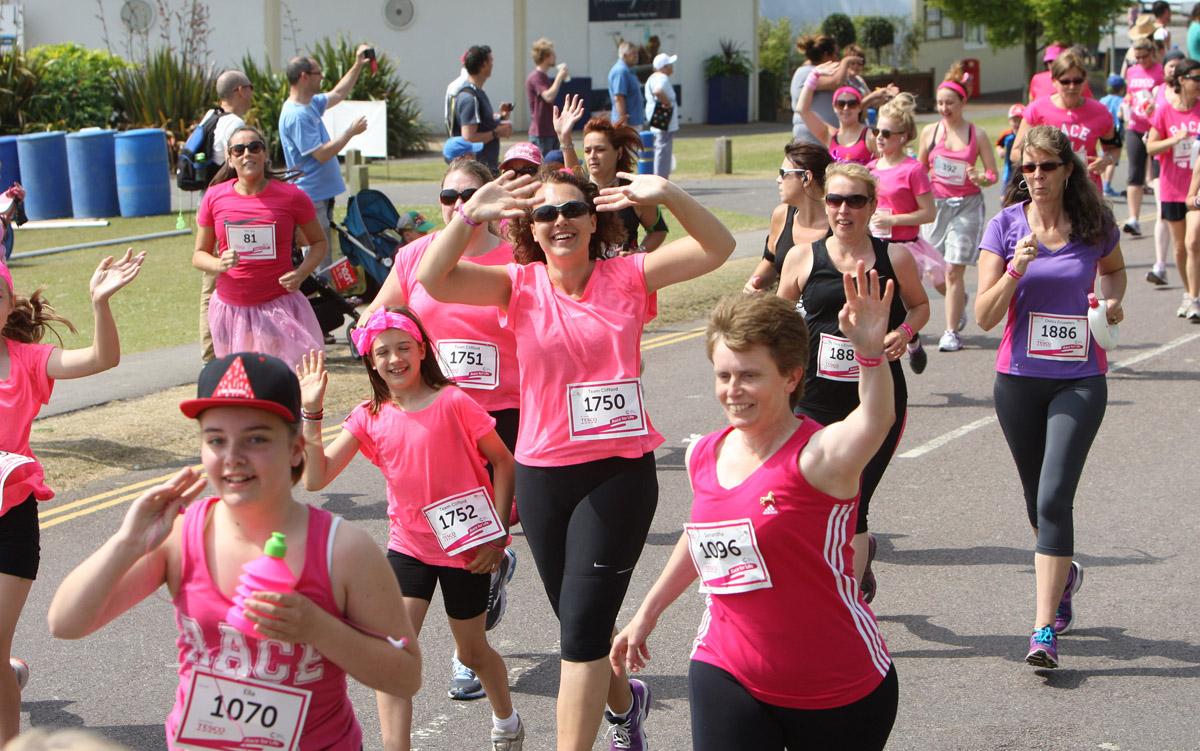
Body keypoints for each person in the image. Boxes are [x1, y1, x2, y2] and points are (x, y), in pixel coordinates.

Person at [416, 167, 736, 751]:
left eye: (570, 211)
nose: (559, 221)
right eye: (545, 214)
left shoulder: (629, 275)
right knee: (578, 623)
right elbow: (431, 279)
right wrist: (470, 214)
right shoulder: (517, 285)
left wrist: (666, 194)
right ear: (531, 230)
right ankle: (625, 701)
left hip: (617, 476)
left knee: (581, 634)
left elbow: (720, 247)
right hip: (542, 477)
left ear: (593, 220)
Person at [47, 352, 422, 749]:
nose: (232, 456)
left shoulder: (343, 549)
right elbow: (66, 624)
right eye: (216, 440)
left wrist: (317, 628)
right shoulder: (180, 535)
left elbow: (405, 676)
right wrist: (128, 542)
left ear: (296, 448)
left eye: (256, 438)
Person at [610, 281, 900, 751]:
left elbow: (875, 419)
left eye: (749, 375)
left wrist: (869, 355)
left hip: (837, 682)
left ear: (790, 377)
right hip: (728, 666)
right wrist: (647, 612)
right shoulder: (703, 454)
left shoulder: (820, 457)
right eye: (723, 376)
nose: (732, 391)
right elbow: (703, 535)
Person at [298, 307, 523, 750]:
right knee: (392, 654)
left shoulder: (454, 402)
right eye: (382, 352)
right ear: (370, 361)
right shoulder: (368, 416)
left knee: (473, 652)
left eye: (403, 347)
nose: (394, 359)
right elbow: (315, 477)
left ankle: (507, 721)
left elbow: (503, 461)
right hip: (409, 548)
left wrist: (497, 536)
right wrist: (312, 412)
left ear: (422, 350)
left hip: (467, 548)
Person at [364, 157, 523, 701]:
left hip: (502, 410)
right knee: (450, 524)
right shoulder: (413, 257)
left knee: (487, 524)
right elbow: (379, 317)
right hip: (435, 415)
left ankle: (488, 575)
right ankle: (469, 650)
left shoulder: (516, 258)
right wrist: (378, 339)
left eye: (469, 194)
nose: (458, 205)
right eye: (448, 197)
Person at [974, 124, 1127, 669]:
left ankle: (1042, 631)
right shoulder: (1004, 225)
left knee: (1054, 496)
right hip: (1017, 379)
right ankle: (1062, 577)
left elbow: (1113, 273)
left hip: (1080, 377)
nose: (1035, 177)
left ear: (1066, 170)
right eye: (1027, 167)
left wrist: (1108, 307)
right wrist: (1017, 267)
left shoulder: (1094, 224)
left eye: (1045, 166)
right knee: (1035, 496)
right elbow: (985, 317)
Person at [0, 250, 144, 744]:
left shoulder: (27, 361)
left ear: (8, 303)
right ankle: (10, 675)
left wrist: (99, 303)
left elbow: (102, 359)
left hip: (11, 517)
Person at [777, 163, 929, 601]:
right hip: (812, 400)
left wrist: (903, 333)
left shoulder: (894, 258)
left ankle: (848, 604)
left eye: (855, 201)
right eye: (835, 200)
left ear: (872, 206)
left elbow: (919, 307)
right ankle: (828, 581)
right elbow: (779, 316)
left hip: (875, 402)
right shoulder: (803, 257)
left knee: (855, 501)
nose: (843, 210)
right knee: (811, 498)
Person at [192, 126, 328, 368]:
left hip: (278, 306)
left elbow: (319, 243)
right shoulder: (214, 197)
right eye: (239, 149)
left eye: (255, 147)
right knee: (243, 382)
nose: (248, 154)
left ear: (265, 155)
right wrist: (218, 263)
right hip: (231, 309)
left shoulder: (292, 197)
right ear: (230, 158)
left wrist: (300, 273)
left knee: (286, 378)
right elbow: (198, 255)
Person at [918, 62, 999, 352]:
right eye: (940, 103)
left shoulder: (977, 135)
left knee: (954, 270)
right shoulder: (929, 132)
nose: (944, 108)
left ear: (963, 102)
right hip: (937, 206)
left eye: (949, 103)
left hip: (966, 205)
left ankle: (951, 331)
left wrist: (981, 177)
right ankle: (959, 298)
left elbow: (993, 174)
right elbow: (919, 169)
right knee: (934, 272)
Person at [869, 93, 941, 373]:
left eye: (886, 133)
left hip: (906, 247)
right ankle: (908, 344)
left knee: (901, 302)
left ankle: (909, 339)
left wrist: (894, 221)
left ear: (903, 136)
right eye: (876, 131)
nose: (879, 137)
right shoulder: (870, 169)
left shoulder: (913, 170)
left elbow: (928, 213)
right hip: (875, 246)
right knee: (881, 306)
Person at [279, 45, 371, 251]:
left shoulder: (309, 103)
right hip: (311, 196)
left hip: (321, 195)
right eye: (318, 73)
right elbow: (321, 154)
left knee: (324, 248)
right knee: (318, 253)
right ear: (304, 77)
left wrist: (357, 65)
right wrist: (350, 132)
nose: (322, 77)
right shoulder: (297, 115)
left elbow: (338, 93)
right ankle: (318, 284)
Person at [556, 95, 669, 255]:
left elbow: (658, 231)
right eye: (588, 151)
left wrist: (637, 253)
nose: (592, 156)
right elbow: (573, 174)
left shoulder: (634, 192)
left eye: (600, 149)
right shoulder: (581, 190)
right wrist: (565, 137)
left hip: (623, 276)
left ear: (618, 152)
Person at [199, 69, 255, 363]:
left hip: (213, 207)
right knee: (218, 282)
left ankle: (215, 353)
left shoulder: (210, 119)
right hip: (226, 211)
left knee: (213, 282)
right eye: (250, 88)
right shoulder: (234, 124)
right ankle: (215, 356)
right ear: (240, 91)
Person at [1015, 49, 1118, 192]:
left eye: (1077, 81)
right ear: (1054, 81)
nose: (1072, 87)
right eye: (1065, 81)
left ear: (1085, 80)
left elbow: (1114, 148)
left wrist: (1107, 160)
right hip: (1048, 191)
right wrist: (1040, 164)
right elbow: (1015, 152)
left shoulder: (1101, 111)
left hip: (1086, 190)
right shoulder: (1037, 110)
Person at [742, 142, 834, 294]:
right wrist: (753, 284)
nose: (778, 179)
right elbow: (771, 262)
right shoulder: (781, 216)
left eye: (783, 173)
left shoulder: (840, 221)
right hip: (786, 315)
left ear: (806, 177)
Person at [1148, 58, 1200, 320]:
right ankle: (1190, 293)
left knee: (1193, 241)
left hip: (1197, 189)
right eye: (1196, 78)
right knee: (1180, 248)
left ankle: (1193, 298)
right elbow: (1151, 148)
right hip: (1171, 187)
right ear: (1181, 80)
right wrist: (1174, 139)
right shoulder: (1165, 111)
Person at [1121, 38, 1164, 237]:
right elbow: (1130, 93)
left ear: (1152, 53)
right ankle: (1133, 219)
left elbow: (1165, 96)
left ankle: (1163, 214)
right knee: (1134, 172)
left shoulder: (1160, 71)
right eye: (1136, 58)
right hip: (1135, 125)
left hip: (1156, 128)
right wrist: (1127, 101)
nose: (1140, 61)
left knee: (1157, 174)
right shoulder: (1132, 71)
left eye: (1144, 57)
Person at [796, 63, 877, 164]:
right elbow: (802, 110)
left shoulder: (870, 136)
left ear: (859, 107)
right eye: (841, 104)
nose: (846, 108)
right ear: (834, 107)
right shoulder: (829, 135)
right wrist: (813, 76)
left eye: (852, 104)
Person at [452, 45, 513, 174]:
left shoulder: (477, 93)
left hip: (485, 167)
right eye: (491, 61)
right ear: (483, 64)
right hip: (478, 171)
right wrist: (497, 133)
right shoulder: (470, 98)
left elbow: (481, 123)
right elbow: (469, 137)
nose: (492, 65)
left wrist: (500, 117)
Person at [790, 33, 842, 144]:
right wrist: (846, 63)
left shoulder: (814, 71)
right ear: (826, 55)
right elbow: (836, 82)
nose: (837, 58)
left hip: (822, 135)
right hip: (811, 135)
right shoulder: (807, 72)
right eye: (835, 54)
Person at [527, 38, 569, 155]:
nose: (555, 56)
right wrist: (559, 77)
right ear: (545, 56)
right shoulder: (536, 77)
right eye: (552, 54)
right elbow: (548, 97)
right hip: (541, 133)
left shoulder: (543, 76)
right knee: (545, 170)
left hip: (549, 131)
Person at [643, 52, 679, 178]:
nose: (671, 67)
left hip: (656, 113)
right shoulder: (662, 78)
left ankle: (660, 175)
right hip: (662, 113)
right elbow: (658, 91)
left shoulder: (652, 78)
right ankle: (661, 177)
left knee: (660, 144)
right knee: (663, 146)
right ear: (664, 67)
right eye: (669, 65)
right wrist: (667, 103)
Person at [1028, 44, 1095, 102]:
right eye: (1049, 61)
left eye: (1056, 61)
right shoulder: (1037, 79)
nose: (1053, 64)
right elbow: (1031, 104)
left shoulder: (1077, 81)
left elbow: (1091, 106)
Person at [1099, 75, 1127, 198]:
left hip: (1102, 130)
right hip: (1116, 130)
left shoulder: (1102, 100)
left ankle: (1102, 183)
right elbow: (1123, 116)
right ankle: (1106, 185)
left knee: (1103, 156)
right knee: (1112, 159)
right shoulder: (1122, 101)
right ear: (1121, 89)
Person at [607, 41, 645, 128]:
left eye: (637, 53)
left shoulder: (628, 70)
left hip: (634, 121)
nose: (637, 56)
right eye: (633, 54)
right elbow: (619, 98)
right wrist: (623, 122)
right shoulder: (620, 71)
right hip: (628, 124)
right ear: (624, 55)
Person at [995, 104, 1025, 187]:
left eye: (1020, 121)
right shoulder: (1007, 135)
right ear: (1009, 121)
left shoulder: (1027, 135)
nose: (1017, 124)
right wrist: (1000, 150)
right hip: (1009, 169)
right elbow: (998, 144)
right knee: (1007, 190)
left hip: (1023, 168)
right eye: (1014, 121)